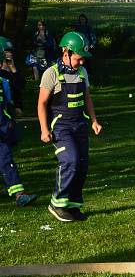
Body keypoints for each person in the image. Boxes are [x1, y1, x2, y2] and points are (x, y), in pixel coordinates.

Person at [37, 32, 102, 222]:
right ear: (66, 52)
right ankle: (57, 203)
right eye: (78, 58)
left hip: (80, 125)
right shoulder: (51, 73)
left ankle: (73, 206)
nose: (81, 63)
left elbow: (87, 98)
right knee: (70, 161)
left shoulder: (82, 73)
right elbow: (41, 103)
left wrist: (94, 121)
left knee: (82, 165)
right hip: (61, 127)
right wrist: (44, 129)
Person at [0, 36, 37, 207]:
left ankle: (17, 192)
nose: (8, 55)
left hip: (5, 123)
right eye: (6, 53)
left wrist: (12, 68)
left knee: (6, 155)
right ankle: (19, 194)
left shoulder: (7, 72)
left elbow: (19, 86)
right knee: (5, 157)